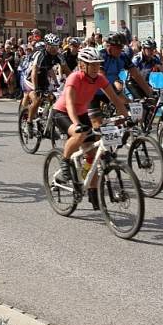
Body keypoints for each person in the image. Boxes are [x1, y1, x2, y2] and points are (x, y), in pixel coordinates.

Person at [51, 47, 128, 210]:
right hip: (62, 112)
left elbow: (115, 98)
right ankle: (65, 162)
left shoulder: (99, 78)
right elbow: (70, 104)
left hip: (82, 112)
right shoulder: (74, 78)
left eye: (97, 64)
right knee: (79, 135)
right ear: (82, 65)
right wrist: (76, 124)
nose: (95, 68)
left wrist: (126, 117)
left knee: (92, 156)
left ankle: (93, 192)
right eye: (91, 65)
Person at [27, 33, 70, 129]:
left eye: (56, 46)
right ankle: (29, 122)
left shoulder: (59, 56)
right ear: (46, 46)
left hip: (43, 77)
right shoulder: (40, 55)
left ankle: (45, 121)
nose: (55, 49)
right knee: (37, 99)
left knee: (52, 98)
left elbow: (68, 71)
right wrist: (36, 89)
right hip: (30, 77)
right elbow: (34, 72)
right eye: (52, 47)